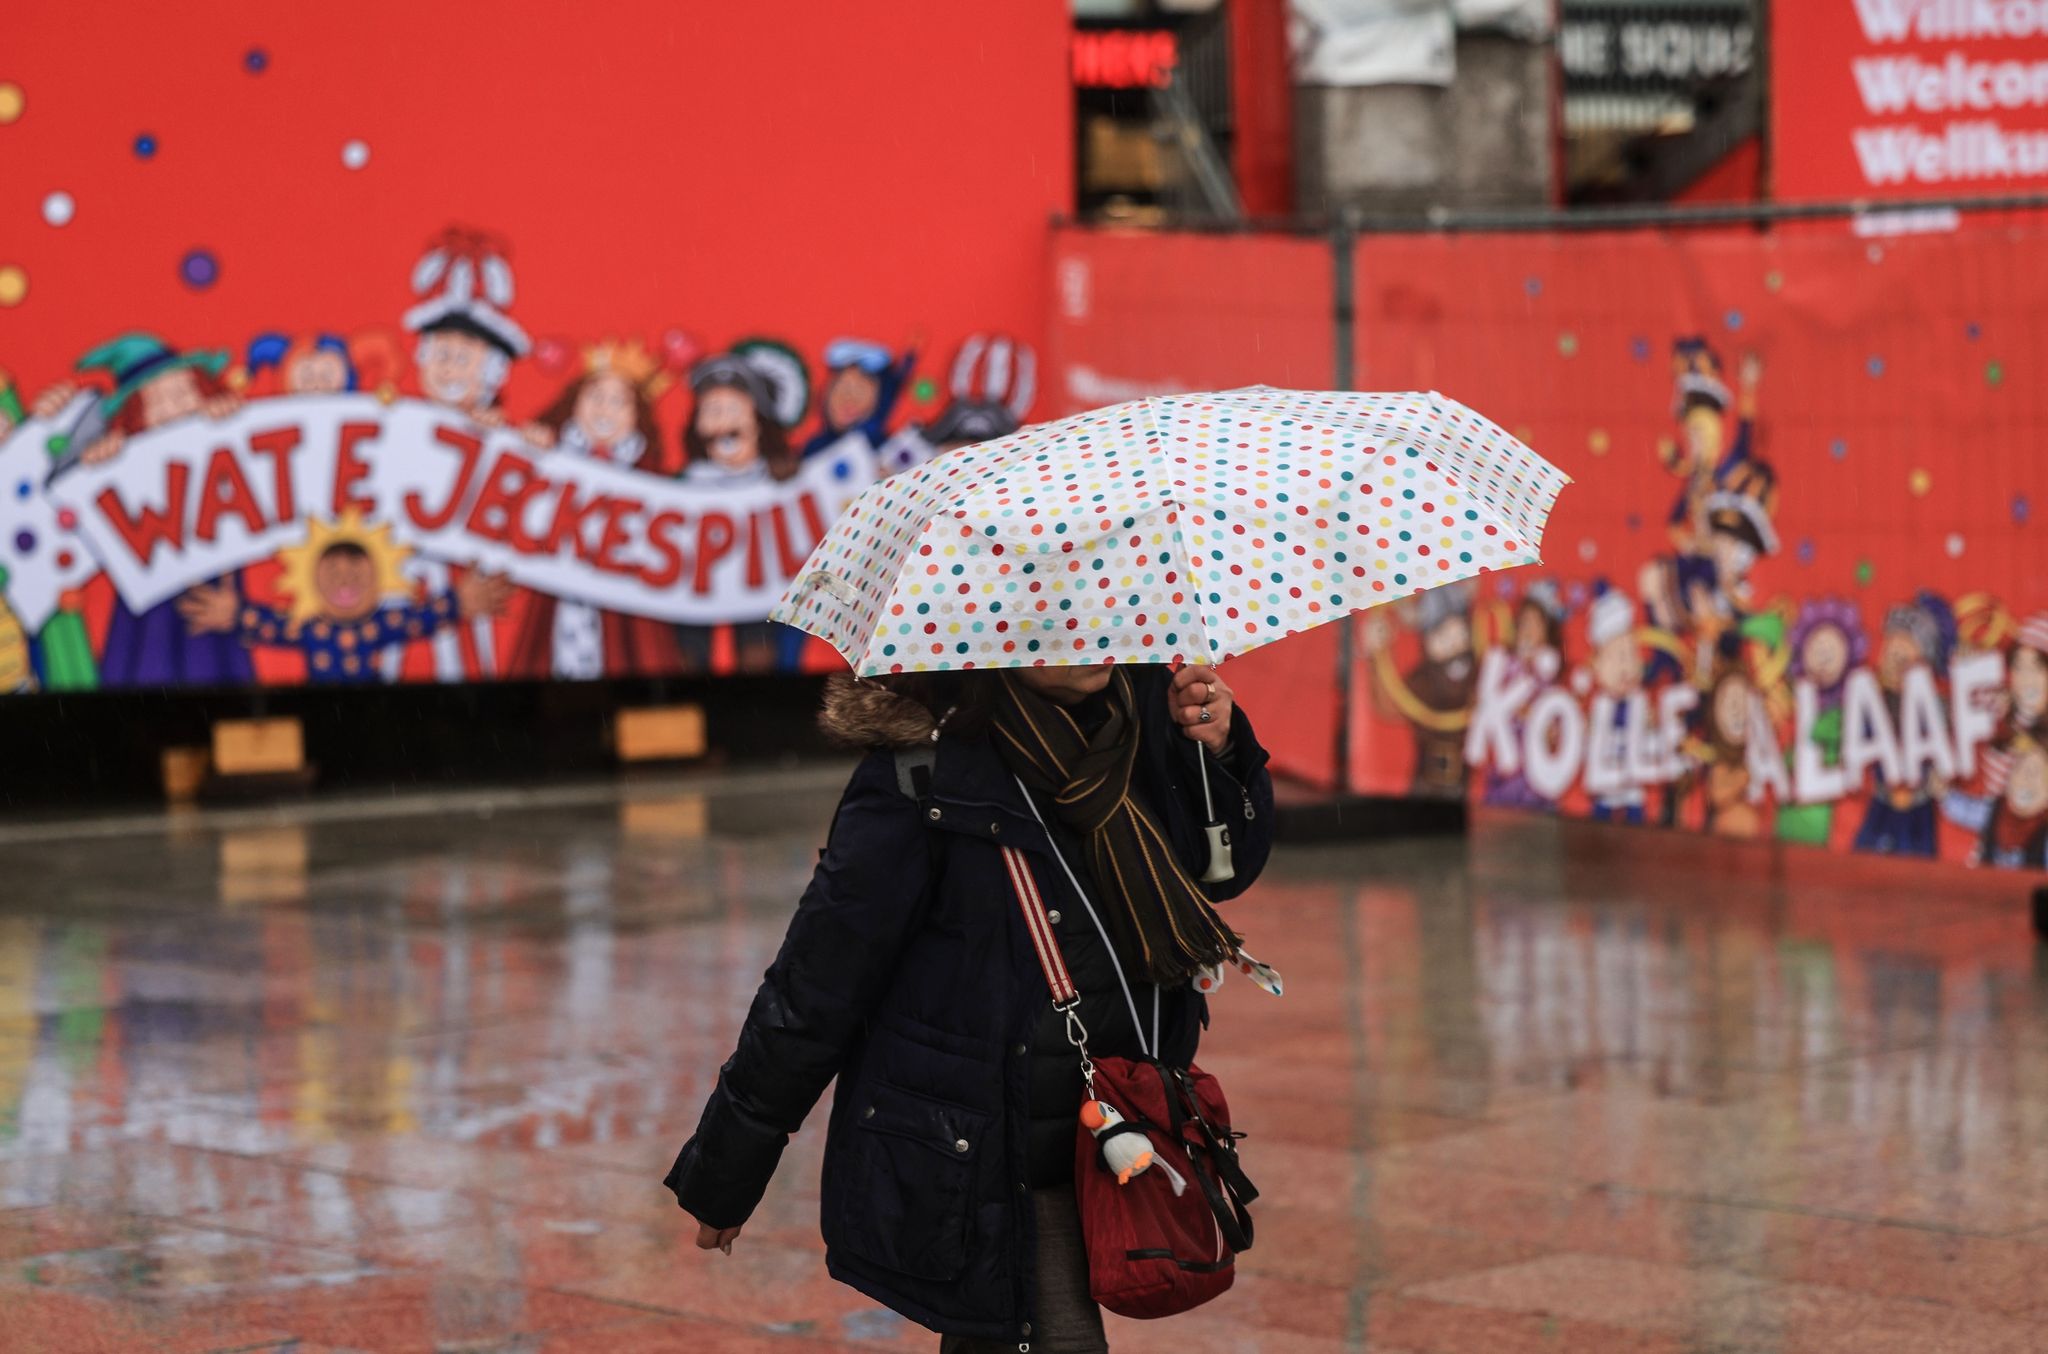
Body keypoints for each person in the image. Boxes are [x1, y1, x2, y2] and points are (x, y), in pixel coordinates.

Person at [663, 659, 1275, 1350]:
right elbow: (818, 982)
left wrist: (1220, 751)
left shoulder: (1146, 715)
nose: (1096, 640)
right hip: (999, 1149)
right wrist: (731, 1162)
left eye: (1105, 614)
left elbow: (1223, 870)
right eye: (1065, 616)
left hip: (1119, 1118)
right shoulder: (923, 770)